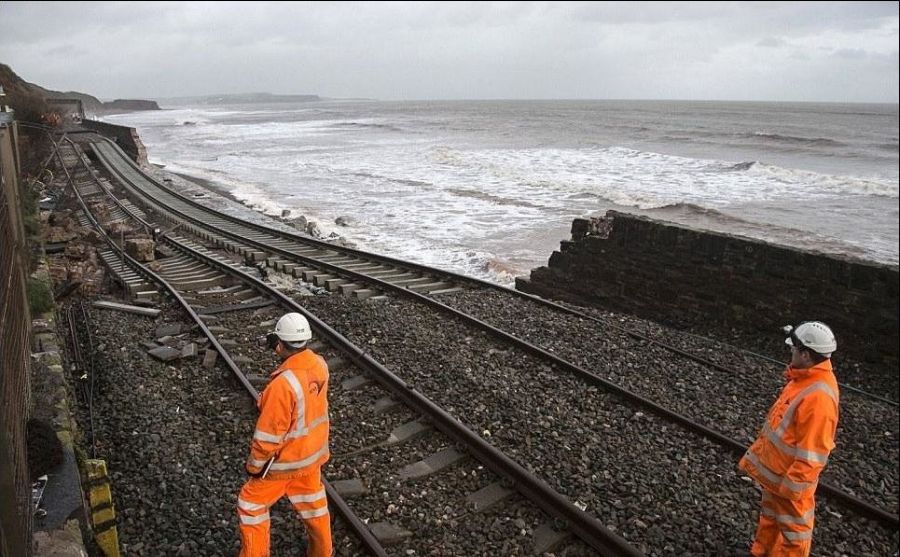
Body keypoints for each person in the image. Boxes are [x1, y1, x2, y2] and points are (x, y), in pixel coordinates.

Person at [738, 321, 840, 557]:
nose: (790, 352)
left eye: (793, 349)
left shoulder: (819, 398)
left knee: (794, 534)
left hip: (791, 482)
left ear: (805, 354)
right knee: (771, 518)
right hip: (778, 475)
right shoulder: (803, 380)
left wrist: (792, 488)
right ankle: (761, 552)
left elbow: (813, 454)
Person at [237, 312, 332, 557]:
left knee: (251, 505)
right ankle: (322, 552)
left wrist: (255, 466)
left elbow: (268, 435)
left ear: (279, 344)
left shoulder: (283, 385)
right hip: (311, 457)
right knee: (314, 506)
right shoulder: (319, 364)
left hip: (283, 464)